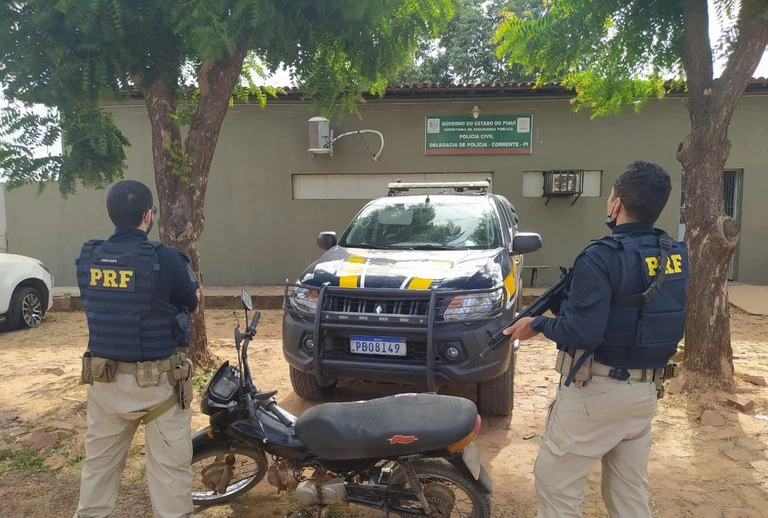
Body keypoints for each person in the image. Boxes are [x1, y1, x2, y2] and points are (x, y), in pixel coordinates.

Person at [504, 161, 689, 518]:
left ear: (616, 204)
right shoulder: (675, 255)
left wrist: (538, 325)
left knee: (557, 486)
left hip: (598, 391)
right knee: (628, 492)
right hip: (646, 391)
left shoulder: (600, 256)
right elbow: (634, 313)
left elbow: (583, 332)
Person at [74, 179, 200, 518]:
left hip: (105, 383)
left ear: (112, 215)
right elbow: (191, 301)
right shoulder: (167, 259)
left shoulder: (89, 257)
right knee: (170, 479)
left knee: (97, 474)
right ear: (148, 215)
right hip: (158, 389)